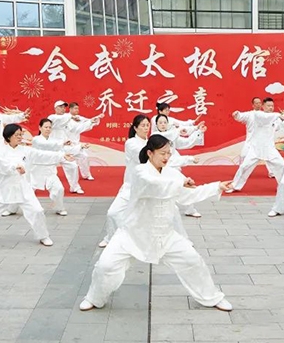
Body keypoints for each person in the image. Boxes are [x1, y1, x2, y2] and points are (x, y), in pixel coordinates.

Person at [79, 134, 233, 312]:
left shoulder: (173, 174)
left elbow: (186, 195)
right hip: (132, 234)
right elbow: (153, 185)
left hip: (164, 235)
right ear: (150, 153)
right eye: (162, 153)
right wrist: (180, 182)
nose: (167, 157)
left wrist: (216, 187)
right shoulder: (140, 172)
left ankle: (212, 297)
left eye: (169, 153)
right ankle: (94, 297)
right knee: (106, 266)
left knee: (193, 261)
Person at [0, 123, 68, 247]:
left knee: (37, 211)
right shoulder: (0, 151)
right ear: (8, 137)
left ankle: (43, 236)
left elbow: (42, 155)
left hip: (23, 188)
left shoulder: (25, 150)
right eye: (17, 135)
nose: (20, 137)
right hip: (3, 189)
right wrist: (15, 167)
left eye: (21, 134)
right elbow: (1, 166)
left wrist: (62, 156)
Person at [98, 115, 150, 248]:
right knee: (113, 212)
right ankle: (110, 237)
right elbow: (142, 157)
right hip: (130, 186)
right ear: (135, 128)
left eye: (147, 125)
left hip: (148, 187)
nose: (146, 128)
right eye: (143, 125)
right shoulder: (131, 143)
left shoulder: (152, 142)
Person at [228, 97, 284, 193]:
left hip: (269, 149)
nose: (270, 108)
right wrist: (237, 115)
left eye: (272, 106)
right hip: (255, 148)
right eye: (268, 106)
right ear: (263, 106)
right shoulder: (258, 115)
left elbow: (278, 126)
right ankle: (235, 185)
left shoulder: (274, 118)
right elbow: (244, 116)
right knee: (244, 167)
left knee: (282, 166)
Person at [154, 114, 206, 218]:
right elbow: (169, 137)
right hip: (161, 169)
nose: (163, 125)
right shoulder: (155, 137)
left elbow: (187, 143)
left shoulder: (173, 136)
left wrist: (198, 132)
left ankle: (190, 209)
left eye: (165, 122)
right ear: (156, 125)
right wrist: (189, 159)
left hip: (173, 166)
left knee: (187, 186)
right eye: (160, 123)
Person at [28, 118, 76, 216]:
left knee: (59, 189)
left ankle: (59, 208)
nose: (48, 129)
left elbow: (60, 152)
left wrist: (69, 155)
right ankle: (12, 209)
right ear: (40, 128)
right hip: (35, 171)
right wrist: (61, 144)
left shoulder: (55, 141)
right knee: (25, 191)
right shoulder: (36, 140)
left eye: (50, 127)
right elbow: (46, 145)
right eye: (45, 127)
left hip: (50, 170)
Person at [48, 101, 85, 194]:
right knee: (43, 168)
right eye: (61, 107)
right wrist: (71, 116)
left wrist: (91, 121)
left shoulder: (67, 120)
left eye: (64, 107)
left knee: (73, 166)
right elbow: (60, 119)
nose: (63, 109)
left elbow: (76, 126)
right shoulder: (51, 118)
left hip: (63, 149)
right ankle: (32, 188)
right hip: (51, 149)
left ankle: (75, 187)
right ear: (56, 108)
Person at [67, 102, 102, 181]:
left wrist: (96, 118)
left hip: (76, 144)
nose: (77, 110)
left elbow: (88, 121)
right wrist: (89, 122)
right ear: (70, 109)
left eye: (78, 108)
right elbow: (77, 128)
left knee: (84, 157)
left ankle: (86, 175)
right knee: (67, 162)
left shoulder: (79, 118)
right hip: (67, 144)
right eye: (75, 108)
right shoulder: (66, 119)